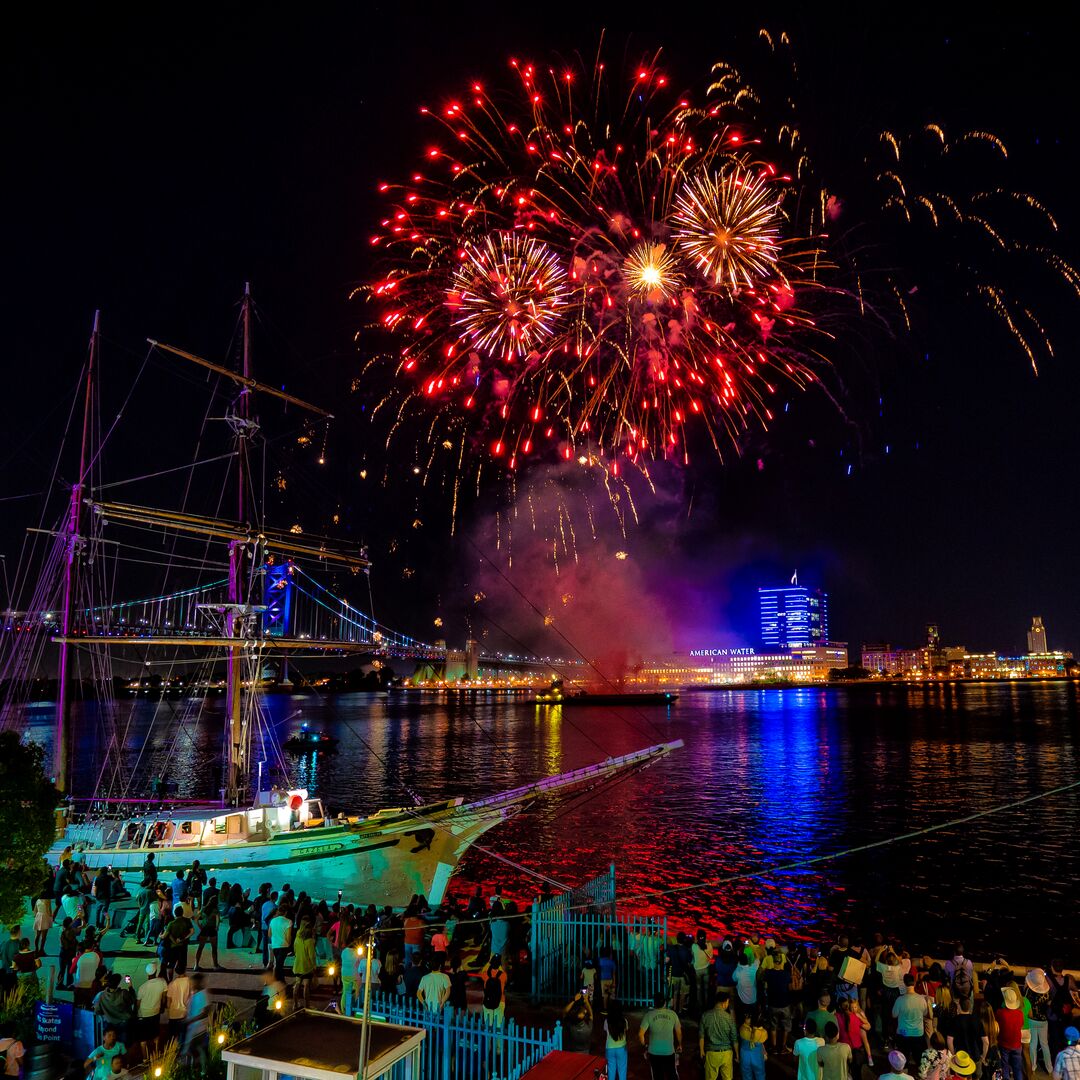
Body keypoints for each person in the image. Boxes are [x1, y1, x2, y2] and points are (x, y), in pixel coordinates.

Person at [640, 990, 682, 1080]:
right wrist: (679, 1044)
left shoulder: (649, 1015)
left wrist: (645, 1045)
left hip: (654, 1052)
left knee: (658, 1076)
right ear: (665, 1002)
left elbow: (640, 1034)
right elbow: (678, 1032)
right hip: (669, 1051)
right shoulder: (673, 1014)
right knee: (671, 1074)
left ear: (654, 1003)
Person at [946, 992, 988, 1076]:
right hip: (975, 1056)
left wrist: (954, 1054)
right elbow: (986, 1042)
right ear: (969, 1006)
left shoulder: (955, 1020)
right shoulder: (977, 1020)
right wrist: (983, 1056)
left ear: (959, 1006)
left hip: (961, 1058)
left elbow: (949, 1040)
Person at [894, 973, 931, 1067]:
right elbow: (925, 1013)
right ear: (914, 983)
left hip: (903, 1032)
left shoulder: (900, 999)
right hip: (917, 1033)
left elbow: (894, 1015)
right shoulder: (921, 999)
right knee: (919, 1058)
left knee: (903, 1059)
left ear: (904, 984)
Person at [700, 991, 739, 1080]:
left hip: (711, 1053)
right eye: (728, 1002)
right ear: (724, 1003)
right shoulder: (729, 1018)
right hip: (727, 1054)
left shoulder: (705, 1015)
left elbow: (701, 1035)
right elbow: (734, 1039)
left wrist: (702, 1050)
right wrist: (737, 1054)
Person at [764, 947, 794, 1055]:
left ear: (773, 961)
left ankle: (774, 1047)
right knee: (786, 1025)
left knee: (773, 1026)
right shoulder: (786, 974)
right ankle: (783, 1047)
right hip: (784, 1003)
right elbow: (790, 988)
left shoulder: (768, 973)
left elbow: (765, 985)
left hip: (773, 1003)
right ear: (781, 961)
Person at [135, 962, 167, 1062]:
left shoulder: (142, 987)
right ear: (156, 972)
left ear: (147, 974)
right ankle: (156, 1054)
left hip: (143, 1015)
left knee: (143, 1039)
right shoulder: (162, 982)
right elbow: (164, 997)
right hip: (155, 1012)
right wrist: (162, 1007)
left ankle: (145, 1058)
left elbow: (138, 1004)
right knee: (155, 1034)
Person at [1025, 969, 1054, 1076]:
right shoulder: (1047, 993)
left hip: (1032, 1020)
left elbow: (1027, 1005)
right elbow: (1049, 1004)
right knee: (1045, 1044)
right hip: (1044, 1021)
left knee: (1033, 1044)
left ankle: (1033, 1067)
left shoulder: (1029, 992)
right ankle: (1050, 1068)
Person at [93, 973, 135, 1043]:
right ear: (118, 983)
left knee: (112, 1043)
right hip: (123, 1022)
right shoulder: (123, 993)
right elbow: (132, 1000)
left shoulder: (101, 995)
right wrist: (129, 984)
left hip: (109, 1023)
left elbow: (97, 1011)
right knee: (123, 1043)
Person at [182, 973, 210, 1070]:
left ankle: (196, 1069)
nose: (191, 984)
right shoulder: (195, 993)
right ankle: (197, 1068)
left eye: (193, 982)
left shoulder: (202, 994)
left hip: (198, 1029)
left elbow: (206, 1012)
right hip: (193, 1027)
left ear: (198, 982)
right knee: (195, 1050)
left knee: (191, 1050)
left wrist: (191, 1020)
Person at [996, 986, 1026, 1080]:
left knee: (1005, 1067)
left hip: (1004, 1044)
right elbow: (1021, 1025)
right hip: (1017, 1044)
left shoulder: (1000, 1013)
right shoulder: (1020, 1013)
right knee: (1018, 1069)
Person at [837, 997, 873, 1072]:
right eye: (852, 1007)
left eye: (855, 1007)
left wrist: (861, 1023)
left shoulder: (859, 1013)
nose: (853, 1008)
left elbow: (868, 1026)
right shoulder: (849, 1015)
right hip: (854, 1043)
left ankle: (869, 1057)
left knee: (865, 1041)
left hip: (854, 1041)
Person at [291, 919, 317, 1009]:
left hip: (297, 965)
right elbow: (312, 956)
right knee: (306, 986)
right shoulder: (309, 941)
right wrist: (314, 966)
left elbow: (294, 950)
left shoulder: (297, 937)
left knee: (297, 985)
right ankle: (307, 1006)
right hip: (307, 967)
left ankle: (295, 1004)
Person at [192, 893, 220, 972]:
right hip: (212, 929)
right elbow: (218, 921)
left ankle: (196, 965)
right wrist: (217, 927)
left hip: (204, 929)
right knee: (214, 948)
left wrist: (200, 926)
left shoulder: (203, 908)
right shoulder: (216, 910)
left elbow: (196, 919)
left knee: (200, 947)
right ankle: (215, 965)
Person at [734, 949, 761, 1024]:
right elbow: (758, 958)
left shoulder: (737, 971)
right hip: (753, 998)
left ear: (739, 962)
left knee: (744, 1018)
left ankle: (744, 1031)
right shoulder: (753, 967)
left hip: (742, 1000)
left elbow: (734, 979)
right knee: (753, 1017)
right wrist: (753, 947)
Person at [165, 968, 192, 1041]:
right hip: (184, 1014)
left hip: (173, 1014)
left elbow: (168, 1003)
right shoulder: (189, 982)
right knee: (183, 1037)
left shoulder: (172, 984)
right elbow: (191, 997)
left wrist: (169, 1013)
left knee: (173, 1038)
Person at [605, 1000, 629, 1080]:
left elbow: (605, 1032)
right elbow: (626, 1033)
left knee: (611, 1071)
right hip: (622, 1048)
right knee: (622, 1071)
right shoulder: (624, 1021)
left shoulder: (607, 1021)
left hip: (610, 1048)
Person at [740, 1015, 769, 1080]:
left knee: (746, 1075)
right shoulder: (763, 1032)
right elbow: (762, 1040)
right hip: (757, 1056)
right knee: (760, 1075)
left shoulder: (742, 1029)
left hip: (745, 1055)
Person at [481, 956, 508, 1027]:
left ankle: (488, 1038)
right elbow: (505, 981)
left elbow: (482, 971)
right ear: (499, 965)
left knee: (488, 1025)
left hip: (487, 1000)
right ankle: (498, 1038)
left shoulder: (485, 974)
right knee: (499, 1025)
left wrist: (489, 963)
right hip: (500, 1001)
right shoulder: (504, 975)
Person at [269, 905, 293, 982]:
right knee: (280, 965)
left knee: (279, 964)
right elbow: (288, 935)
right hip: (284, 945)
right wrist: (289, 944)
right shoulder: (289, 921)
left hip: (275, 945)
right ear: (285, 912)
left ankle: (278, 980)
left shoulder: (273, 921)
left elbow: (269, 934)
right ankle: (281, 981)